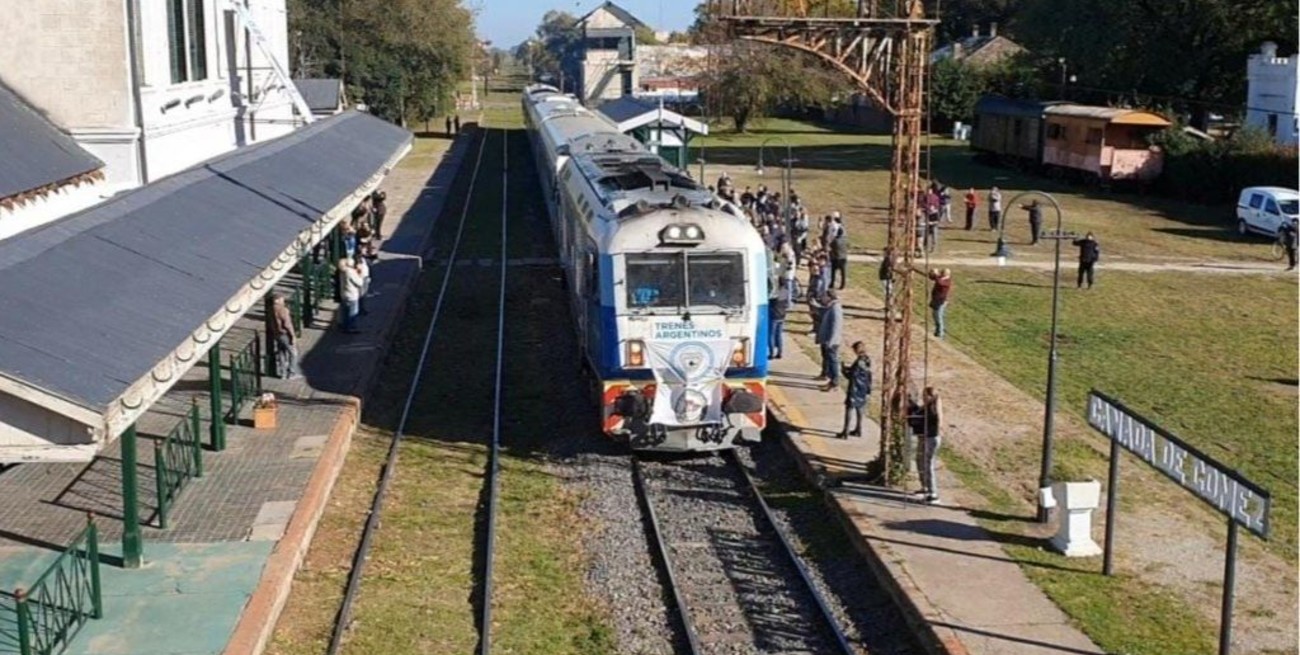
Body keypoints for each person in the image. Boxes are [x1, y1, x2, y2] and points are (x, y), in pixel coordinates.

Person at [915, 386, 943, 503]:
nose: (923, 397)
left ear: (931, 396)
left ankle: (933, 493)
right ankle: (925, 486)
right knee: (919, 460)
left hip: (931, 438)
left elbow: (933, 420)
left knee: (928, 464)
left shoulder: (933, 409)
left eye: (925, 395)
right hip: (924, 437)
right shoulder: (926, 407)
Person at [838, 342, 871, 438]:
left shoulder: (858, 362)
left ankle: (845, 431)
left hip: (854, 388)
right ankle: (858, 429)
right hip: (863, 388)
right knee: (860, 408)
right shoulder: (867, 359)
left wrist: (843, 370)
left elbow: (851, 376)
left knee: (849, 408)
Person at [815, 288, 843, 392]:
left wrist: (831, 341)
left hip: (831, 341)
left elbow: (836, 326)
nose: (823, 298)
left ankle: (835, 382)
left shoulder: (835, 308)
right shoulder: (830, 306)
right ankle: (829, 378)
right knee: (827, 359)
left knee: (833, 361)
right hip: (826, 339)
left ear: (829, 297)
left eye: (824, 296)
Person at [269, 294, 299, 379]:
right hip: (285, 334)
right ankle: (292, 373)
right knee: (293, 353)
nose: (283, 301)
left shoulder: (271, 309)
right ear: (277, 300)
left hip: (277, 334)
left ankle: (283, 373)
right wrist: (293, 336)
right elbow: (287, 324)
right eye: (282, 300)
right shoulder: (283, 310)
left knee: (281, 353)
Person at [338, 258, 364, 333]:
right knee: (353, 312)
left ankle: (345, 326)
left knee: (345, 312)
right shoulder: (350, 272)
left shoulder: (342, 271)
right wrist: (360, 273)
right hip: (352, 295)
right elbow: (360, 283)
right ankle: (351, 328)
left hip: (344, 294)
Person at [926, 268, 952, 338]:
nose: (941, 274)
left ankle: (940, 334)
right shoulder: (941, 278)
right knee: (935, 316)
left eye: (942, 273)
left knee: (939, 317)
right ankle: (937, 332)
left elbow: (939, 283)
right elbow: (932, 277)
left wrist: (936, 275)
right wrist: (932, 272)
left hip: (941, 301)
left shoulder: (947, 281)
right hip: (936, 300)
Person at [769, 280, 790, 359]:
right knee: (779, 335)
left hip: (774, 315)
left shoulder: (775, 293)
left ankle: (771, 353)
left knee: (772, 335)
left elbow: (771, 301)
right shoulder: (785, 292)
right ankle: (780, 352)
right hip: (782, 315)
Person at [829, 223, 849, 290]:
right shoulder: (845, 240)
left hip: (835, 258)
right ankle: (842, 285)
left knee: (833, 272)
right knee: (843, 273)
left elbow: (831, 246)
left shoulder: (835, 240)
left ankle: (832, 284)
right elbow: (848, 246)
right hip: (843, 258)